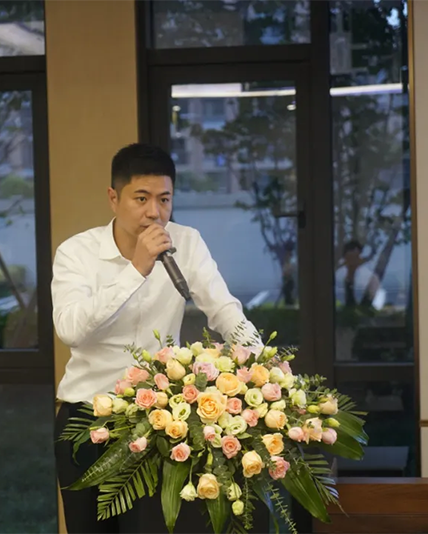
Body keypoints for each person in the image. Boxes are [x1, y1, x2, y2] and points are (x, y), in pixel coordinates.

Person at [52, 143, 260, 534]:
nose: (154, 212)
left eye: (164, 199)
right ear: (113, 198)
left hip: (158, 421)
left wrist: (265, 365)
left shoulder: (187, 241)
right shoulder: (76, 252)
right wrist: (136, 269)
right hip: (85, 417)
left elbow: (225, 310)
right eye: (141, 198)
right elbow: (70, 330)